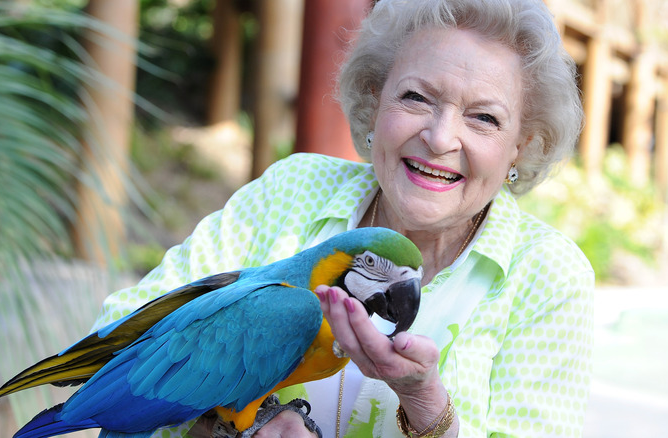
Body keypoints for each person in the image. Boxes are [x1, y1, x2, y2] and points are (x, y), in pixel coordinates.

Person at [91, 0, 594, 436]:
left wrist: (427, 409)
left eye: (484, 118)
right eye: (416, 97)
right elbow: (123, 336)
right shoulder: (293, 192)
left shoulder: (548, 275)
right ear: (375, 101)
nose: (441, 138)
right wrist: (234, 426)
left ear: (521, 147)